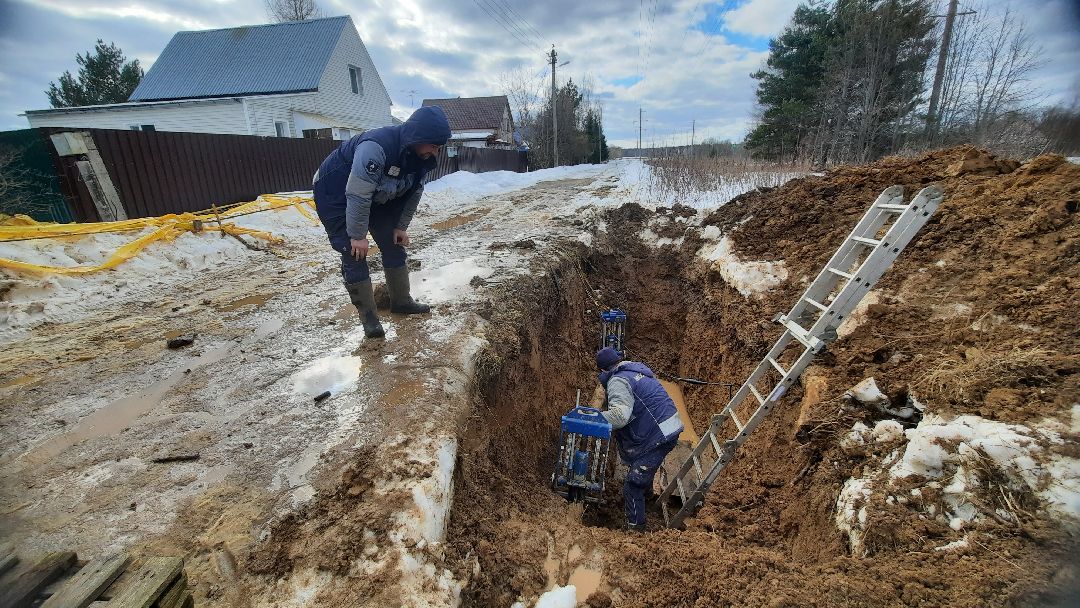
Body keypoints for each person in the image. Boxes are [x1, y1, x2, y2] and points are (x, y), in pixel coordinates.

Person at [312, 106, 452, 338]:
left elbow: (414, 192)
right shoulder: (375, 147)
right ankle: (370, 319)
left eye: (439, 147)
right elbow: (358, 194)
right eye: (434, 145)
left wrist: (401, 227)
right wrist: (357, 236)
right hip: (334, 193)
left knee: (393, 244)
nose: (436, 151)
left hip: (375, 194)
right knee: (354, 253)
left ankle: (402, 301)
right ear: (418, 137)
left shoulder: (421, 156)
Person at [595, 346, 683, 531]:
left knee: (633, 484)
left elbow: (620, 416)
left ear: (602, 369)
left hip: (658, 435)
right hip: (668, 426)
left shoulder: (618, 381)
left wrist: (596, 417)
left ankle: (636, 529)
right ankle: (648, 498)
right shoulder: (635, 371)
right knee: (643, 466)